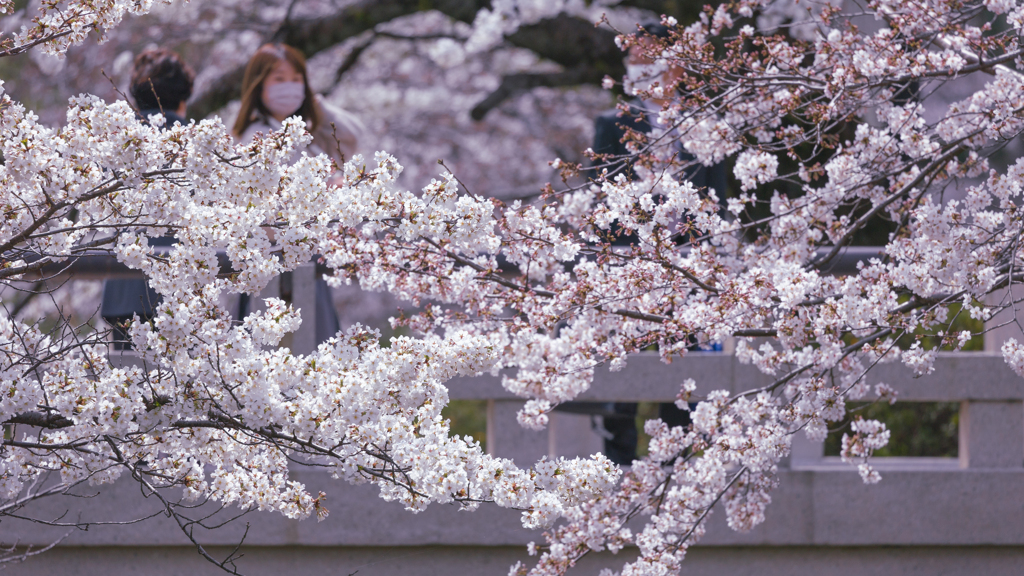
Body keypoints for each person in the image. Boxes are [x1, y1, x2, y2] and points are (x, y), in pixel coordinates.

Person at [567, 23, 728, 465]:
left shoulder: (705, 122)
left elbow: (720, 201)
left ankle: (676, 468)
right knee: (625, 373)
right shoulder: (613, 123)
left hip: (689, 267)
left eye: (648, 57)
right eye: (633, 58)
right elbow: (601, 203)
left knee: (683, 375)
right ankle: (616, 468)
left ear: (677, 62)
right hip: (629, 268)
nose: (639, 66)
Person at [232, 43, 366, 345]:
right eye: (279, 79)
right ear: (259, 84)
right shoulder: (253, 139)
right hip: (272, 274)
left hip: (308, 266)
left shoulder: (308, 137)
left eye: (297, 79)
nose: (290, 87)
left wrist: (315, 102)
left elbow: (353, 136)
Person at [101, 48, 194, 349]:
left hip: (124, 288)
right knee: (185, 391)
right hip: (182, 290)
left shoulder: (118, 143)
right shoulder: (194, 144)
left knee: (131, 388)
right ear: (183, 99)